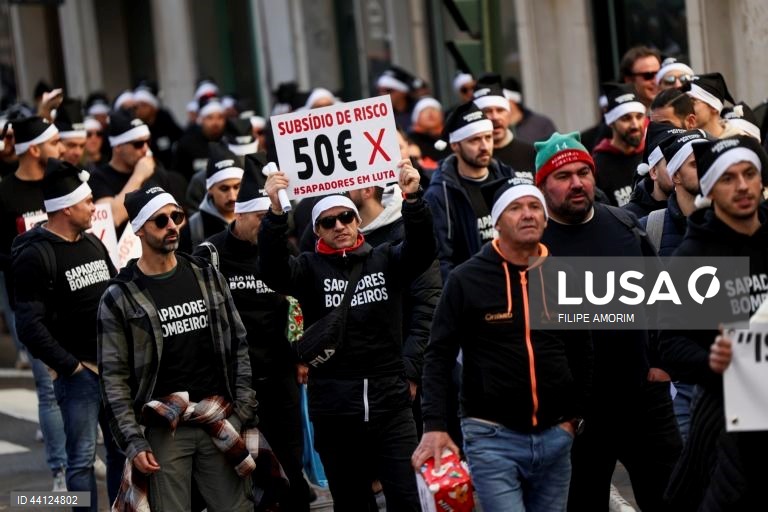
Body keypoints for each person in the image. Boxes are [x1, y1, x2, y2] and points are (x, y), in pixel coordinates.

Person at [258, 160, 435, 511]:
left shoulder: (386, 258)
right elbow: (273, 270)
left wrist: (413, 199)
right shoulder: (307, 268)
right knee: (353, 503)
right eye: (329, 222)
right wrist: (275, 213)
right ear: (317, 231)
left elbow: (421, 251)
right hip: (335, 409)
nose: (339, 226)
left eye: (346, 217)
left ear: (357, 222)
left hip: (390, 404)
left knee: (407, 499)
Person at [413, 179, 592, 511]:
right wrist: (434, 425)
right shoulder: (466, 279)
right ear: (496, 221)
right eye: (515, 208)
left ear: (545, 217)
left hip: (557, 436)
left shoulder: (565, 275)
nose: (528, 214)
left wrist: (575, 417)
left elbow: (582, 350)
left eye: (535, 206)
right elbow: (438, 355)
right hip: (492, 437)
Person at [535, 132, 682, 512]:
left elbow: (662, 298)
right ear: (542, 185)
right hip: (577, 413)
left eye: (583, 173)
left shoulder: (624, 226)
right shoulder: (532, 244)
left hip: (642, 398)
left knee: (671, 498)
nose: (577, 183)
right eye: (563, 176)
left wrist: (660, 363)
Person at [98, 185, 258, 511]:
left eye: (177, 216)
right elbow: (113, 379)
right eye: (161, 220)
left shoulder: (206, 275)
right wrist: (133, 441)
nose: (172, 226)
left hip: (218, 416)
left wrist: (242, 410)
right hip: (165, 429)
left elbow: (238, 344)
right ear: (139, 230)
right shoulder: (120, 296)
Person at [193, 160, 311, 511]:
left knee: (291, 465)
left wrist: (302, 355)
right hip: (234, 383)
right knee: (245, 472)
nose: (266, 224)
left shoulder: (279, 250)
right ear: (239, 214)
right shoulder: (210, 254)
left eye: (270, 217)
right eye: (260, 217)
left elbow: (300, 303)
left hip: (280, 377)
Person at [660, 135, 768, 511]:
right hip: (731, 419)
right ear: (709, 188)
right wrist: (712, 360)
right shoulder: (694, 258)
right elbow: (670, 343)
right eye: (728, 178)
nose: (742, 186)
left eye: (749, 174)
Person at [12, 159, 124, 509]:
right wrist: (71, 367)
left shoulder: (92, 242)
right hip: (79, 378)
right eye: (88, 201)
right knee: (81, 461)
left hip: (113, 370)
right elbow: (29, 326)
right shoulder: (35, 255)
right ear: (67, 208)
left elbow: (116, 292)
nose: (94, 207)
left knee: (121, 452)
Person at [0, 116, 68, 489]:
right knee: (47, 387)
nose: (63, 148)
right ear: (36, 149)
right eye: (55, 141)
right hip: (30, 304)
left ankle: (80, 459)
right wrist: (30, 253)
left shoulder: (61, 181)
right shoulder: (5, 193)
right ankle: (61, 474)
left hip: (72, 297)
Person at [348, 183, 442, 436]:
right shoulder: (333, 239)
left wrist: (410, 370)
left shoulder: (405, 236)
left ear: (368, 189)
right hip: (350, 386)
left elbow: (428, 306)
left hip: (399, 378)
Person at [426, 102, 530, 281]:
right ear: (455, 145)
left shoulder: (507, 176)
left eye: (488, 137)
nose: (484, 146)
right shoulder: (440, 193)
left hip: (515, 281)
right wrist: (466, 291)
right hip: (473, 287)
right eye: (474, 140)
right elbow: (441, 259)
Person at [89, 110, 170, 237]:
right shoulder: (98, 178)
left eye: (147, 142)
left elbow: (178, 216)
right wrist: (138, 176)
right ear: (118, 146)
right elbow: (112, 218)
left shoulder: (156, 173)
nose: (146, 149)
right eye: (138, 144)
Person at [179, 143, 243, 253]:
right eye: (224, 189)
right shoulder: (194, 228)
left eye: (237, 187)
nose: (232, 196)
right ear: (209, 189)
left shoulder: (256, 217)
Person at [592, 84, 648, 207]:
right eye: (626, 118)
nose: (635, 125)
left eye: (639, 117)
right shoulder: (597, 166)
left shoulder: (651, 153)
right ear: (611, 122)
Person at [473, 77, 536, 173]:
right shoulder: (470, 158)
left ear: (509, 113)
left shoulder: (531, 153)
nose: (495, 117)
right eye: (487, 111)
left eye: (500, 110)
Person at [624, 122, 686, 219]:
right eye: (671, 163)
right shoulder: (628, 218)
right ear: (653, 172)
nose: (681, 172)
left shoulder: (701, 214)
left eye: (685, 163)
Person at [132, 82, 184, 171]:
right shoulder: (135, 125)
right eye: (136, 107)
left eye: (144, 105)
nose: (139, 110)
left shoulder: (165, 120)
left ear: (153, 107)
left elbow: (180, 138)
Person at [173, 95, 226, 181]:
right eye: (210, 118)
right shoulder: (187, 144)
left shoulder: (230, 142)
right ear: (201, 119)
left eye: (220, 117)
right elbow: (178, 177)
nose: (215, 123)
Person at [502, 76, 558, 144]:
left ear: (513, 101)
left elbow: (555, 147)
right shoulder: (498, 129)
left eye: (502, 100)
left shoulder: (542, 124)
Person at [683, 72, 735, 138]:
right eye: (684, 102)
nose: (685, 108)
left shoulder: (739, 140)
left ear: (714, 107)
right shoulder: (683, 141)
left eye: (692, 102)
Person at [407, 97, 450, 172]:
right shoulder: (410, 140)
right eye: (425, 110)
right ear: (416, 117)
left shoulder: (450, 136)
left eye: (434, 109)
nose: (430, 113)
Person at [376, 66, 416, 131]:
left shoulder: (420, 111)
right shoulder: (380, 117)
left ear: (403, 92)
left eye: (388, 90)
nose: (382, 95)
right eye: (380, 91)